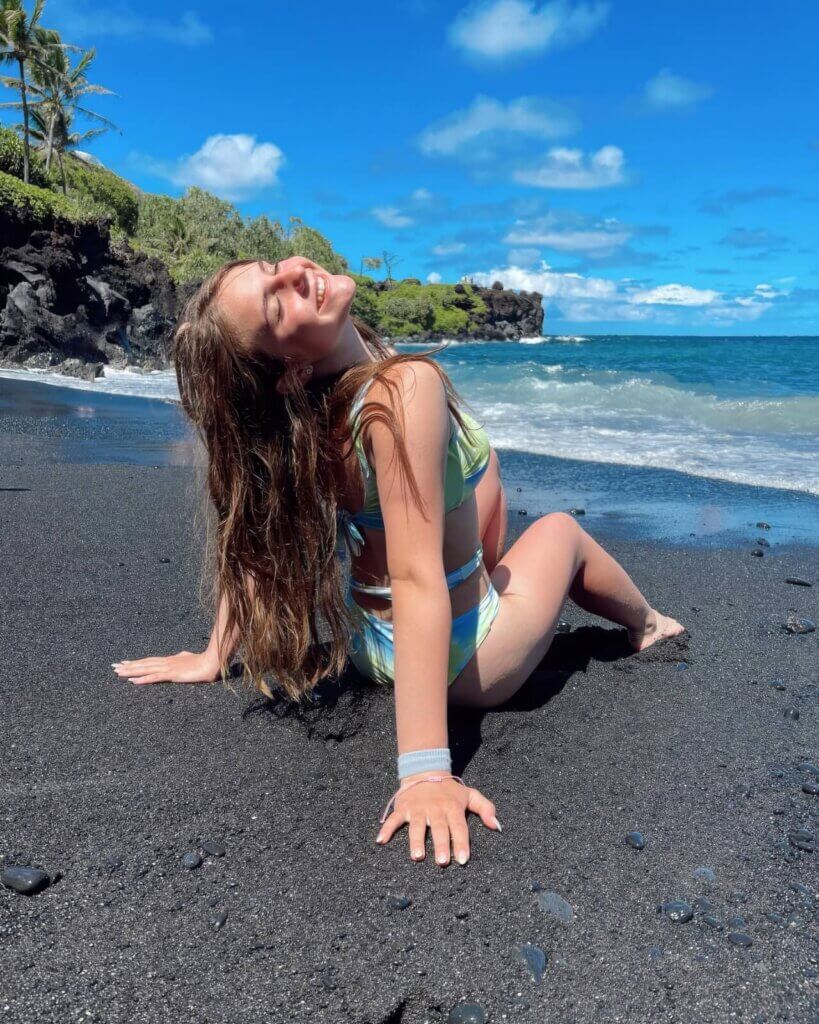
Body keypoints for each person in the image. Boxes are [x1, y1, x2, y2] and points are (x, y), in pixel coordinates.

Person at [112, 256, 684, 868]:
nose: (295, 276)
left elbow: (258, 549)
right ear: (290, 370)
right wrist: (425, 771)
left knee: (477, 480)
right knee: (560, 529)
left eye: (274, 267)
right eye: (278, 306)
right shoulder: (402, 388)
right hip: (468, 663)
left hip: (366, 645)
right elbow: (416, 578)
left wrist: (214, 654)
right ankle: (649, 624)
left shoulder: (311, 425)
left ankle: (496, 588)